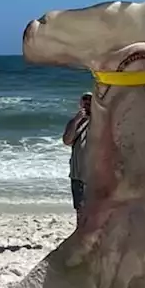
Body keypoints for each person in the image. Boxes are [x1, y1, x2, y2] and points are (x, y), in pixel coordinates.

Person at [61, 92, 92, 223]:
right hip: (77, 172)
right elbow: (67, 140)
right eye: (84, 100)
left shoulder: (101, 122)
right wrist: (77, 120)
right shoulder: (74, 122)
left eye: (90, 100)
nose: (87, 103)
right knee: (80, 208)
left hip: (94, 174)